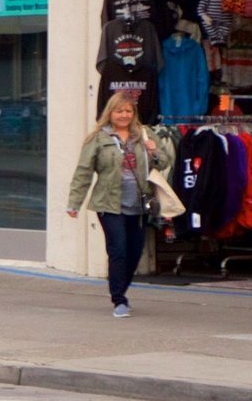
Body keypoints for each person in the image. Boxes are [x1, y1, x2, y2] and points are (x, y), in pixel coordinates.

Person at [64, 89, 171, 318]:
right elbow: (83, 172)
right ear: (110, 112)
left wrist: (154, 151)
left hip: (139, 203)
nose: (124, 115)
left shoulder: (144, 134)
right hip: (109, 204)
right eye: (119, 111)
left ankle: (121, 289)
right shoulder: (98, 139)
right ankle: (119, 299)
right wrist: (74, 203)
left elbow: (164, 161)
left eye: (128, 111)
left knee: (134, 252)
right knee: (118, 249)